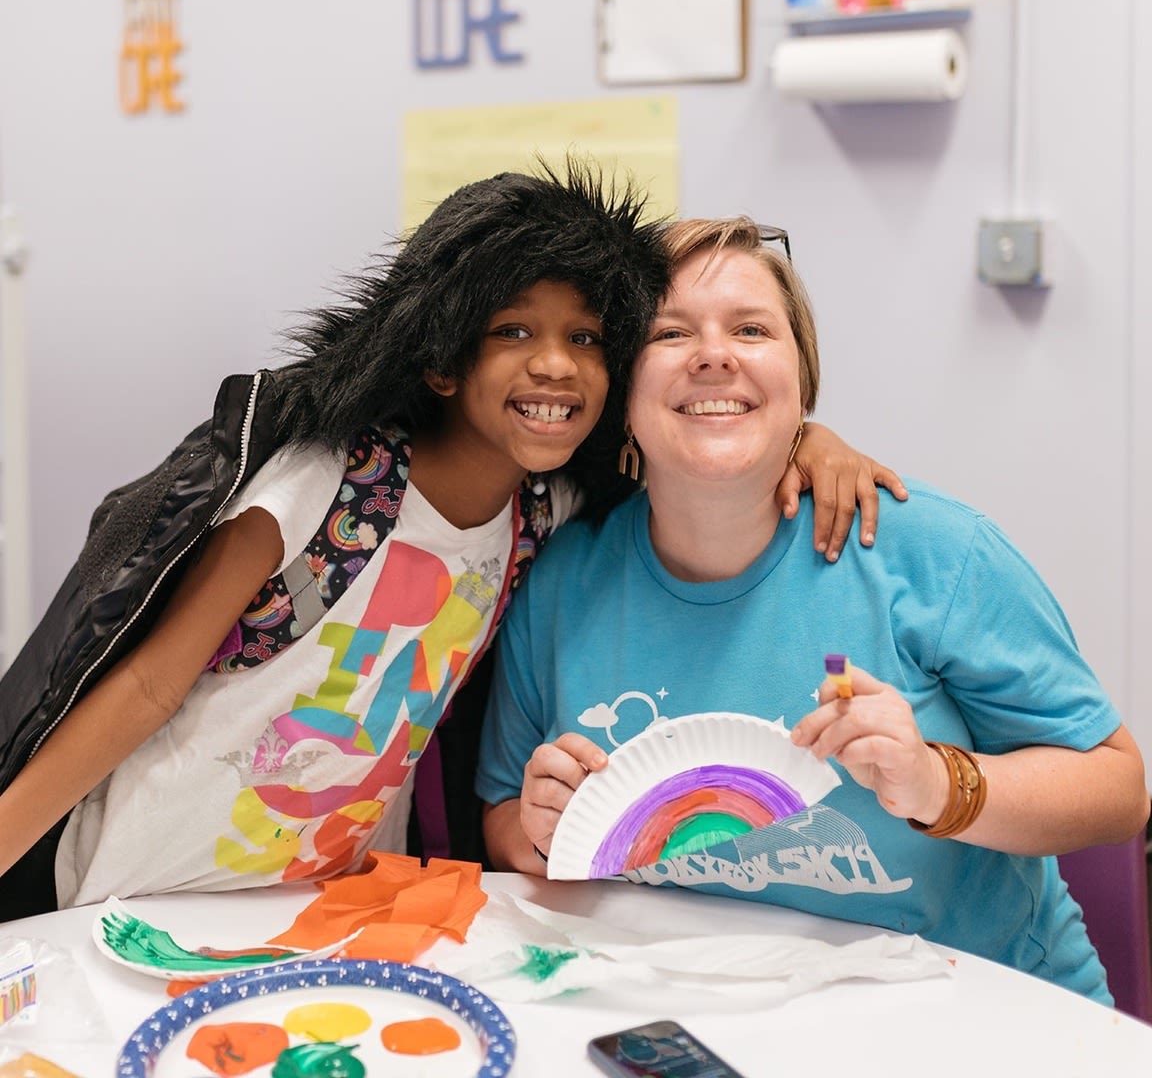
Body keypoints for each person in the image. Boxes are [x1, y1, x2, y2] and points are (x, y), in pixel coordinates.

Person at [0, 167, 900, 921]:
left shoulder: (543, 510)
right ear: (440, 360)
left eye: (586, 338)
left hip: (325, 907)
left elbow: (690, 450)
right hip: (142, 895)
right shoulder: (321, 489)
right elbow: (148, 685)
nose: (554, 364)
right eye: (512, 331)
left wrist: (809, 441)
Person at [477, 215, 1150, 1005]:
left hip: (978, 1012)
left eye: (752, 328)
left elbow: (1119, 790)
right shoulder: (561, 583)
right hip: (704, 1012)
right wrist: (540, 830)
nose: (715, 354)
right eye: (670, 333)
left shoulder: (936, 553)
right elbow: (504, 822)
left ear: (802, 383)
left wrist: (937, 784)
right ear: (620, 392)